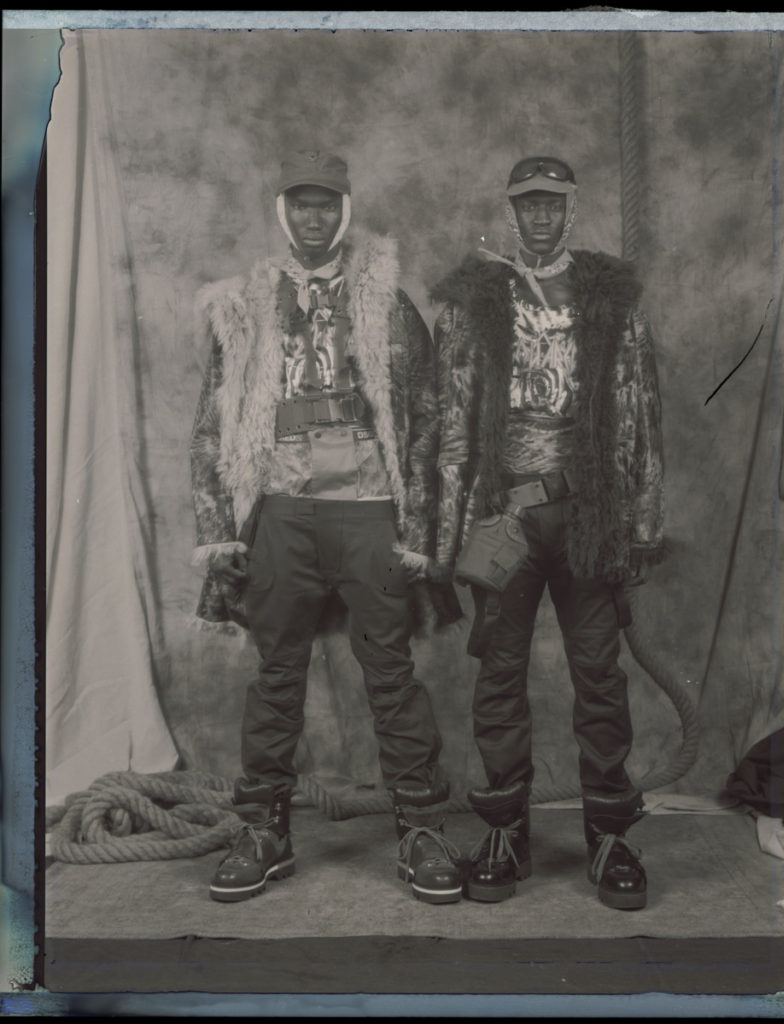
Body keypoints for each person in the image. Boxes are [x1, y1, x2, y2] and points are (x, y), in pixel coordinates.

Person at [190, 149, 462, 905]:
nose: (314, 217)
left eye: (327, 204)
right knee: (277, 672)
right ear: (283, 210)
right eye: (301, 204)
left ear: (344, 210)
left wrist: (421, 533)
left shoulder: (386, 302)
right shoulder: (244, 303)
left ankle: (420, 828)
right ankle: (263, 831)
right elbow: (210, 427)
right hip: (281, 506)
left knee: (390, 672)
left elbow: (428, 421)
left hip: (369, 505)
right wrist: (221, 530)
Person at [430, 155, 665, 909]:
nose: (539, 217)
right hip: (506, 514)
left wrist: (640, 519)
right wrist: (449, 533)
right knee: (498, 674)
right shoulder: (476, 298)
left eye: (551, 205)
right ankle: (504, 830)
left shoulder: (608, 298)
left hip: (588, 515)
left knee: (599, 675)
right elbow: (453, 426)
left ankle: (609, 835)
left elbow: (638, 413)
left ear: (570, 209)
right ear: (509, 209)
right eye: (526, 204)